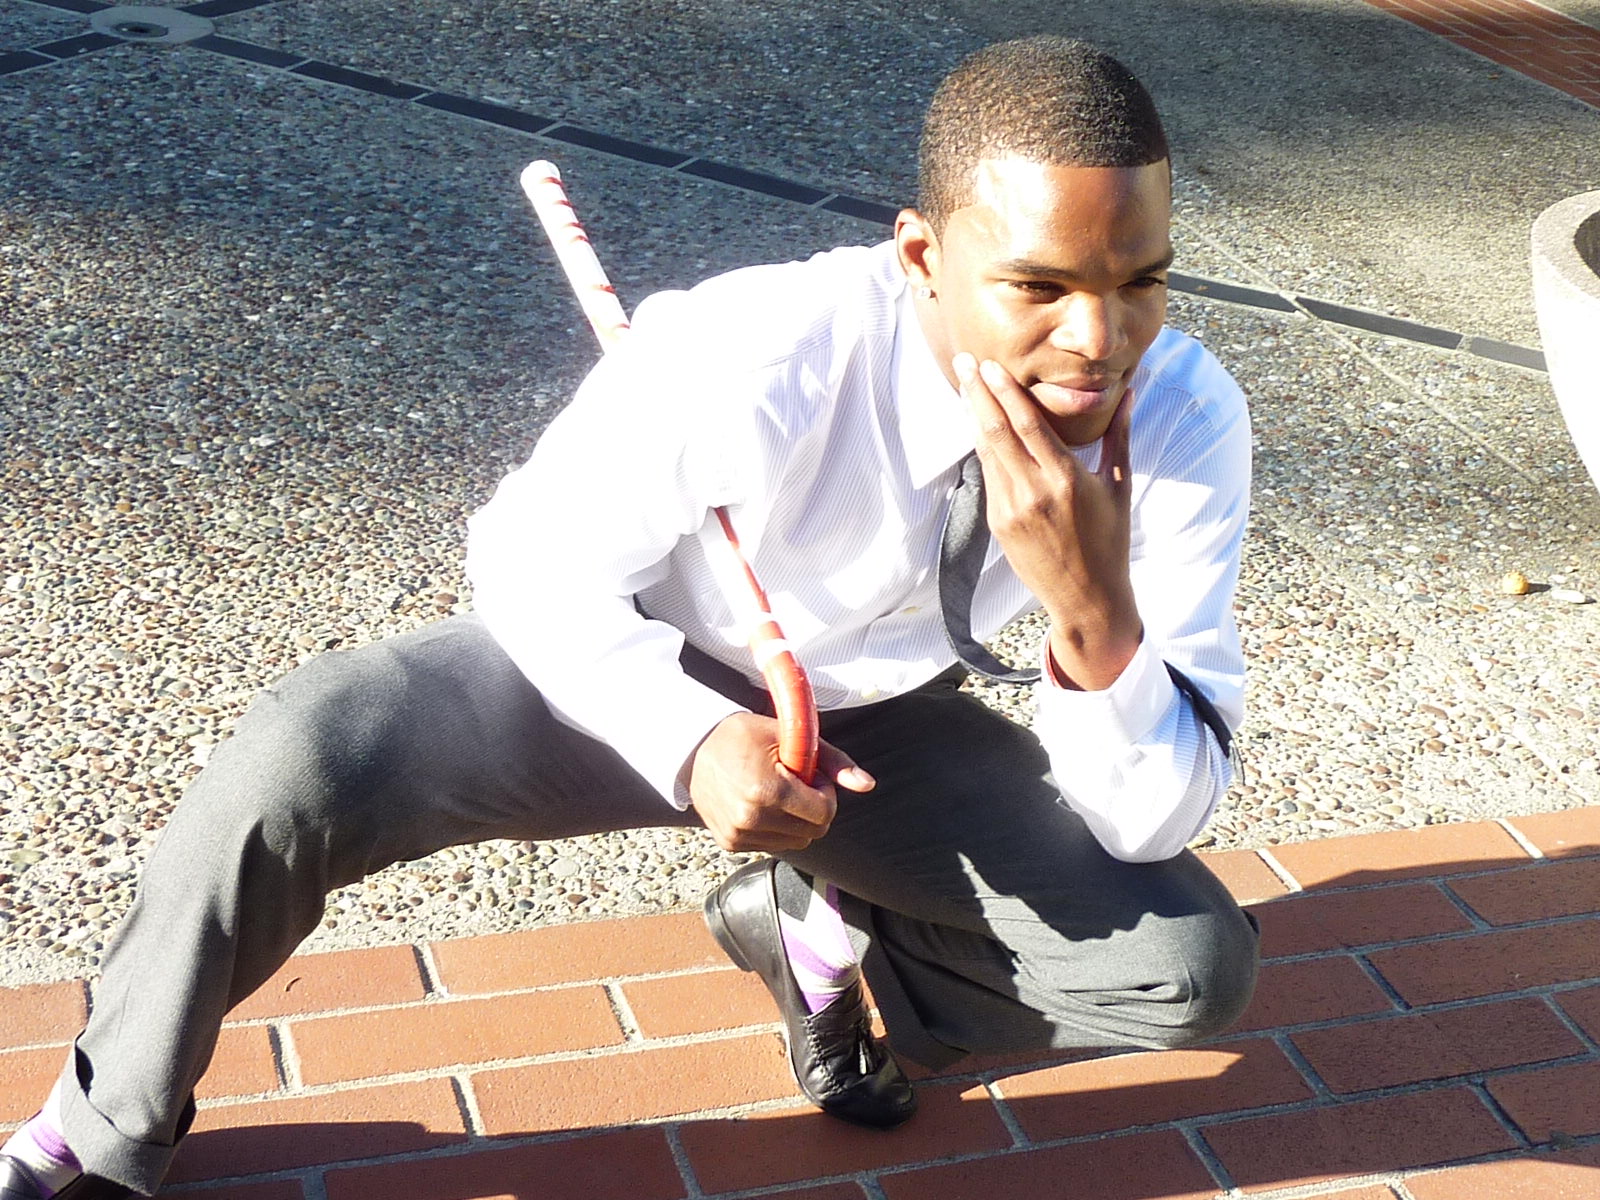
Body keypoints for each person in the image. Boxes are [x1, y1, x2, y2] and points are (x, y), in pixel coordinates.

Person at [0, 34, 1258, 1199]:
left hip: (873, 734)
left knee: (1184, 971)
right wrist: (689, 738)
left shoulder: (1183, 420)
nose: (1100, 340)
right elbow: (531, 558)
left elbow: (1153, 819)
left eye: (1141, 280)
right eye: (1038, 284)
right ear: (921, 256)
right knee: (307, 750)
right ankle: (101, 1128)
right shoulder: (758, 348)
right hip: (626, 668)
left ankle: (822, 932)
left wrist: (1091, 615)